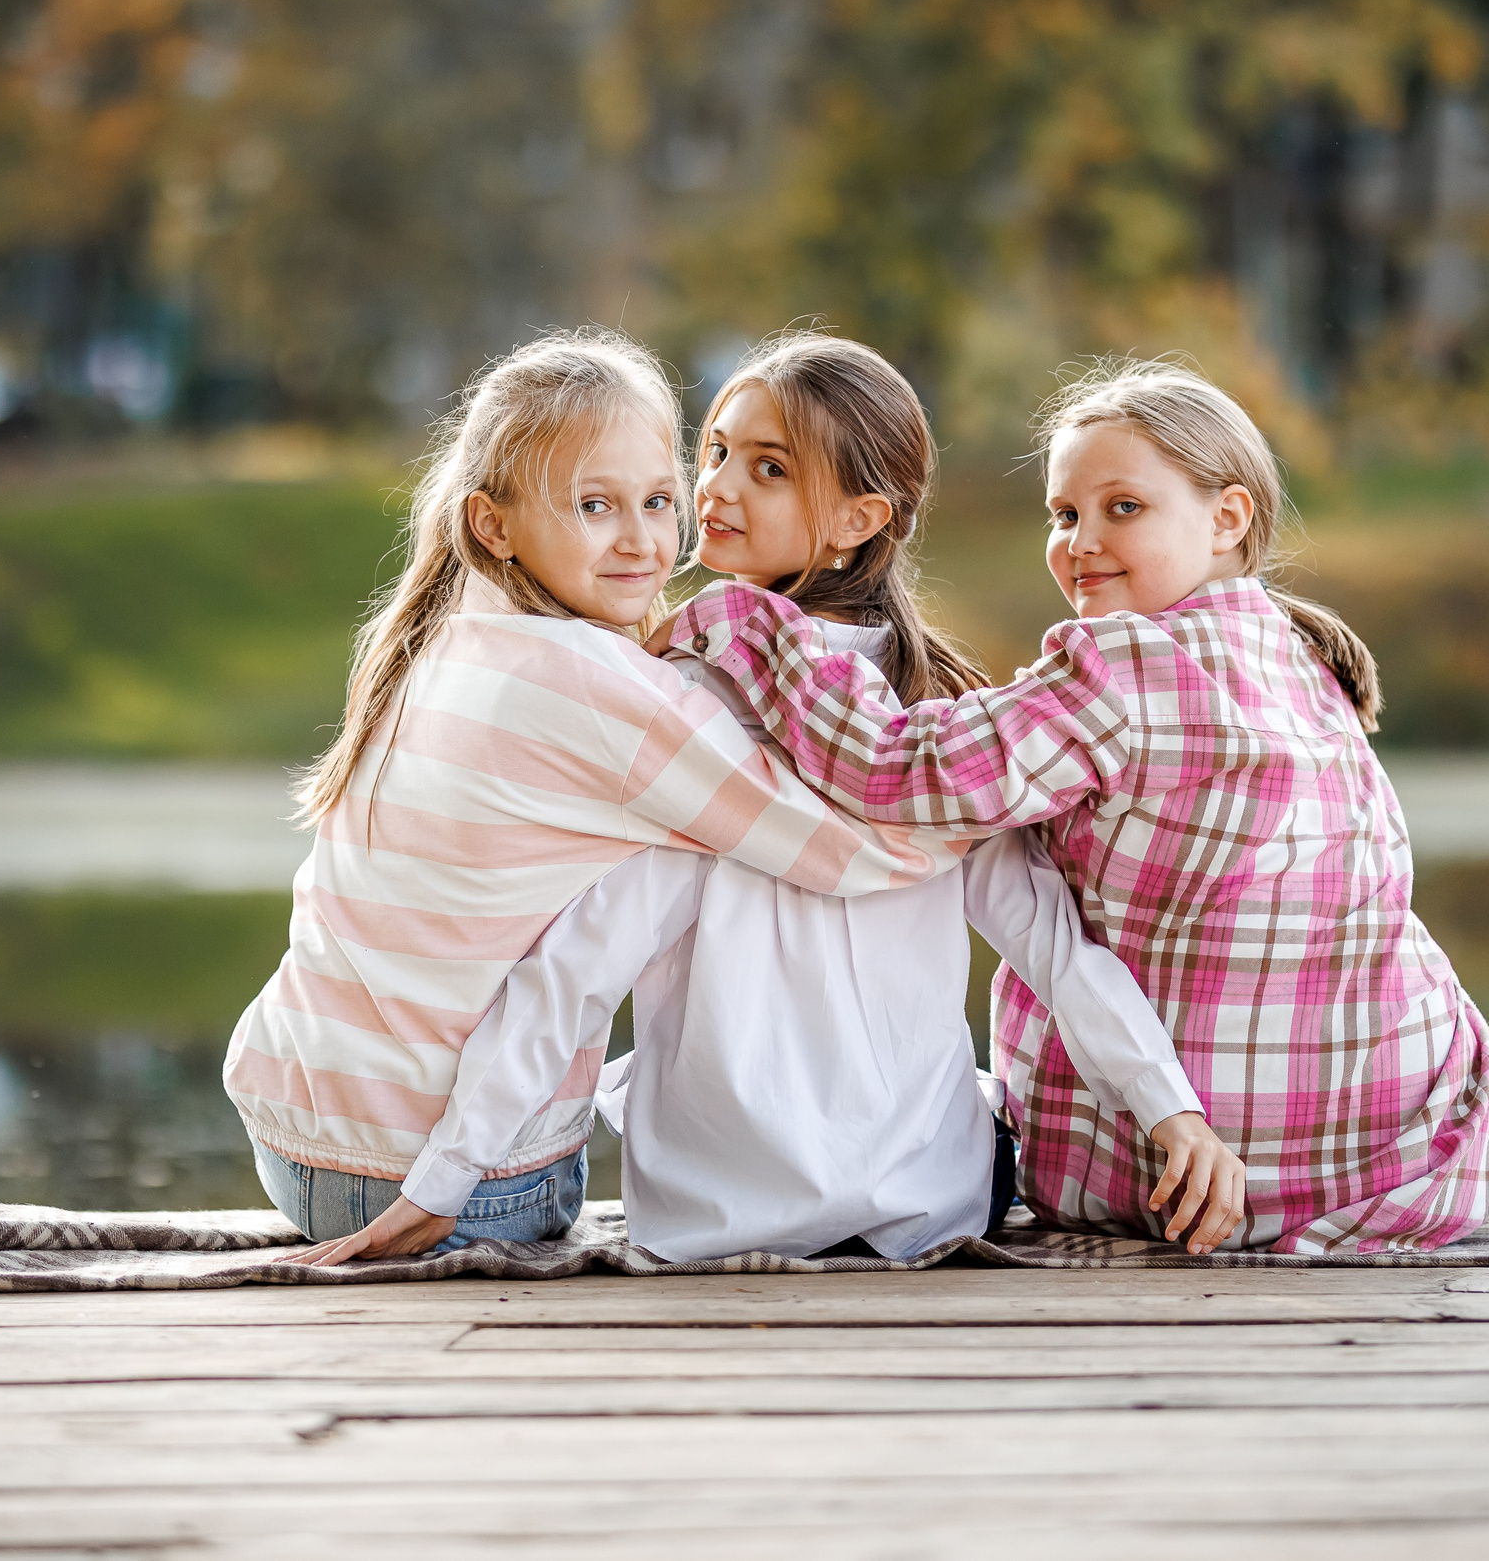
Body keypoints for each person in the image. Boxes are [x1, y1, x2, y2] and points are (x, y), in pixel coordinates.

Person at [305, 334, 1244, 1265]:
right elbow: (1052, 943)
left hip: (716, 1214)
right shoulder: (948, 734)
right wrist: (1172, 1109)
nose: (715, 486)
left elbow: (577, 964)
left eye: (766, 468)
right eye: (713, 451)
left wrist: (444, 1180)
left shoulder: (685, 709)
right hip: (931, 1202)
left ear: (856, 518)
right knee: (984, 1097)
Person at [668, 357, 1489, 1254]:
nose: (1081, 539)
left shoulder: (1121, 669)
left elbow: (899, 771)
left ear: (1228, 516)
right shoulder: (1302, 657)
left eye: (1121, 507)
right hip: (1401, 1149)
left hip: (1197, 1170)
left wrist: (744, 622)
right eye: (1064, 514)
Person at [224, 327, 966, 1255]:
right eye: (593, 505)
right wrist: (994, 814)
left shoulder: (448, 629)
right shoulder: (602, 689)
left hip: (292, 1133)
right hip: (443, 1186)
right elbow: (846, 846)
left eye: (658, 500)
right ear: (493, 524)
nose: (645, 541)